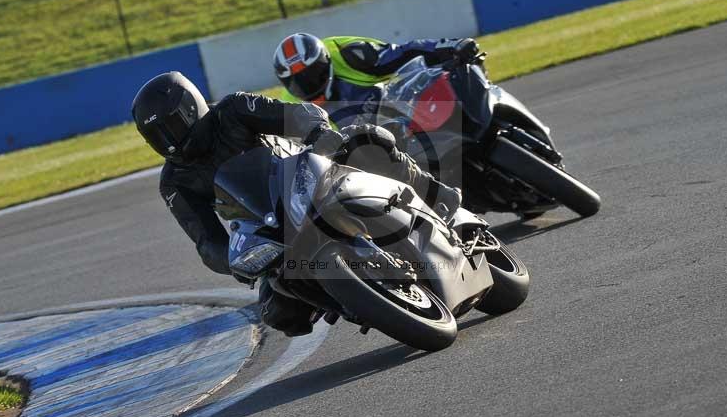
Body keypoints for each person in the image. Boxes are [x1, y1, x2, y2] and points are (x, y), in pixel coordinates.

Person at [131, 71, 461, 336]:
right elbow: (207, 241)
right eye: (158, 136)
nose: (169, 141)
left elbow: (297, 114)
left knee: (366, 142)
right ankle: (354, 302)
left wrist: (317, 132)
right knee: (278, 313)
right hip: (270, 230)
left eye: (171, 126)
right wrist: (233, 261)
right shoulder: (174, 182)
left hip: (308, 176)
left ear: (191, 108)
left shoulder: (233, 109)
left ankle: (435, 193)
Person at [273, 33, 480, 126]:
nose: (307, 85)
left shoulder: (347, 52)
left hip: (399, 111)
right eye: (297, 83)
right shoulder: (290, 109)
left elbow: (403, 53)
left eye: (311, 75)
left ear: (325, 61)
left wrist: (449, 46)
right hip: (361, 156)